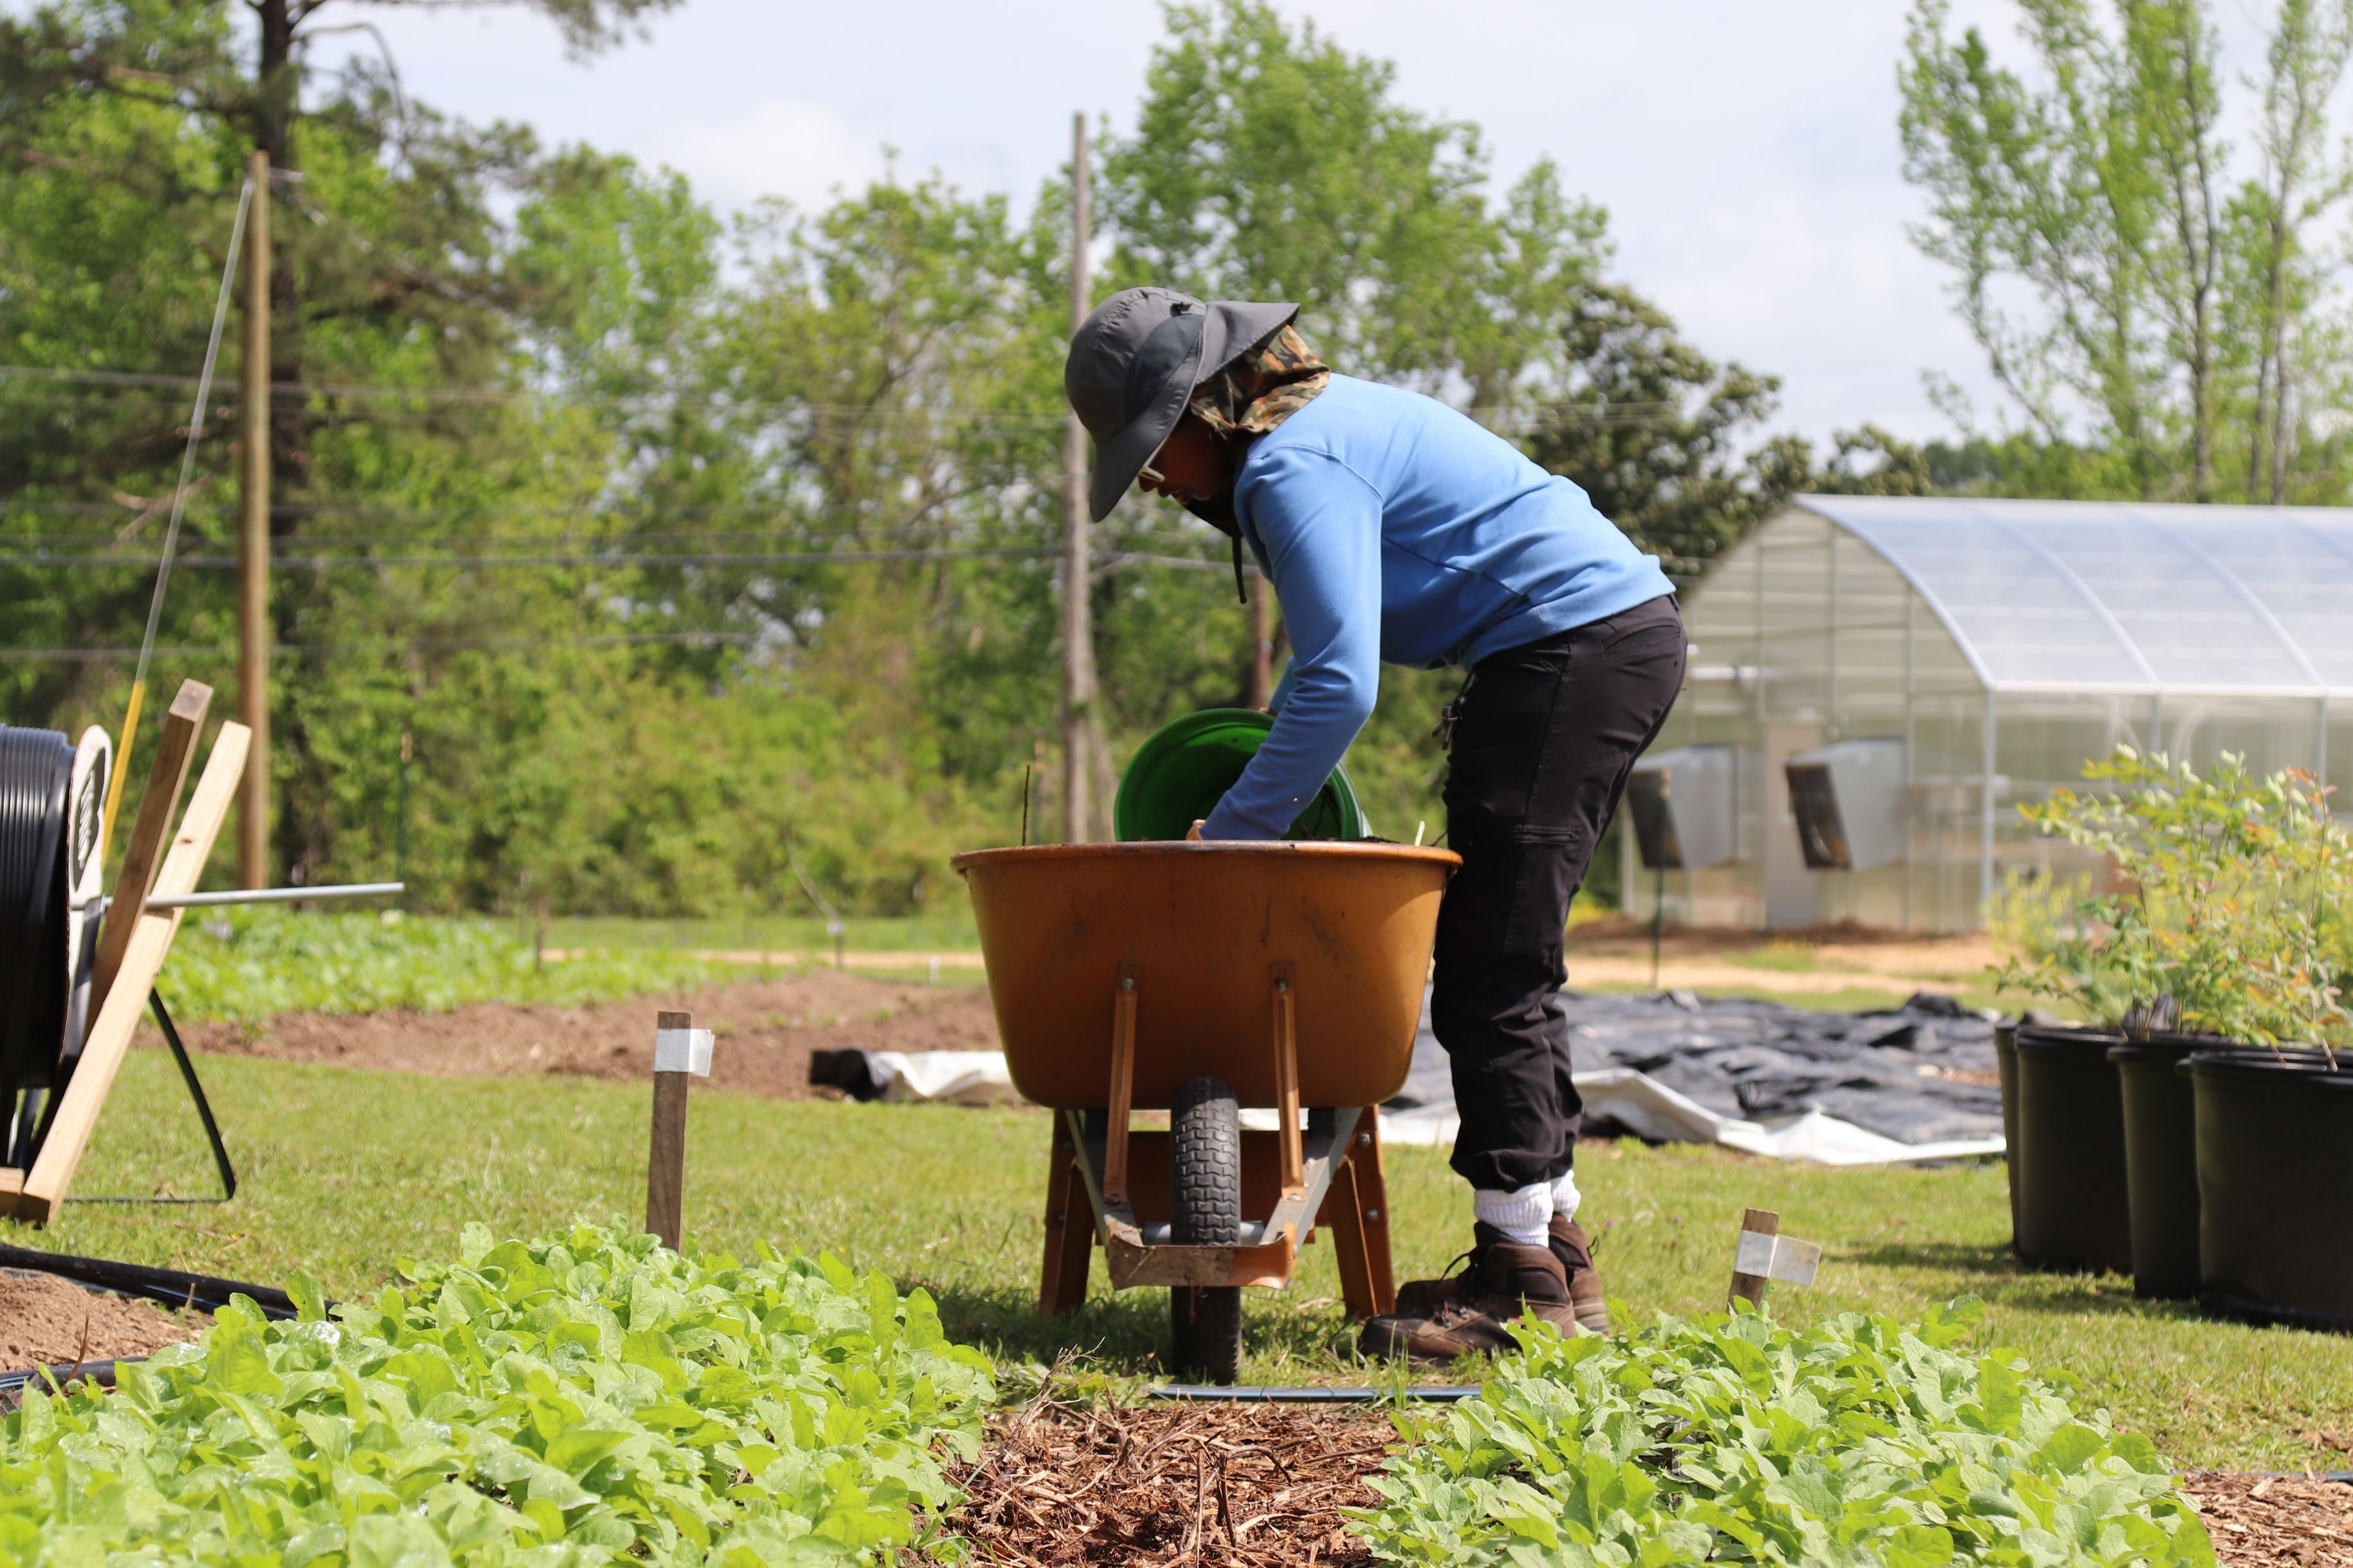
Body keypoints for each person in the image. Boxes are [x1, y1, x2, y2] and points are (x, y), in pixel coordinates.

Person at [1063, 286, 1684, 1361]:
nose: (1160, 482)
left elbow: (1341, 684)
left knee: (1494, 964)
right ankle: (1552, 1256)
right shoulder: (1324, 426)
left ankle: (1521, 1284)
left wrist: (1232, 837)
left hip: (1569, 649)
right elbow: (1329, 665)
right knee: (1507, 959)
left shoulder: (1297, 466)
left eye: (1157, 450)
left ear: (1207, 410)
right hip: (1586, 644)